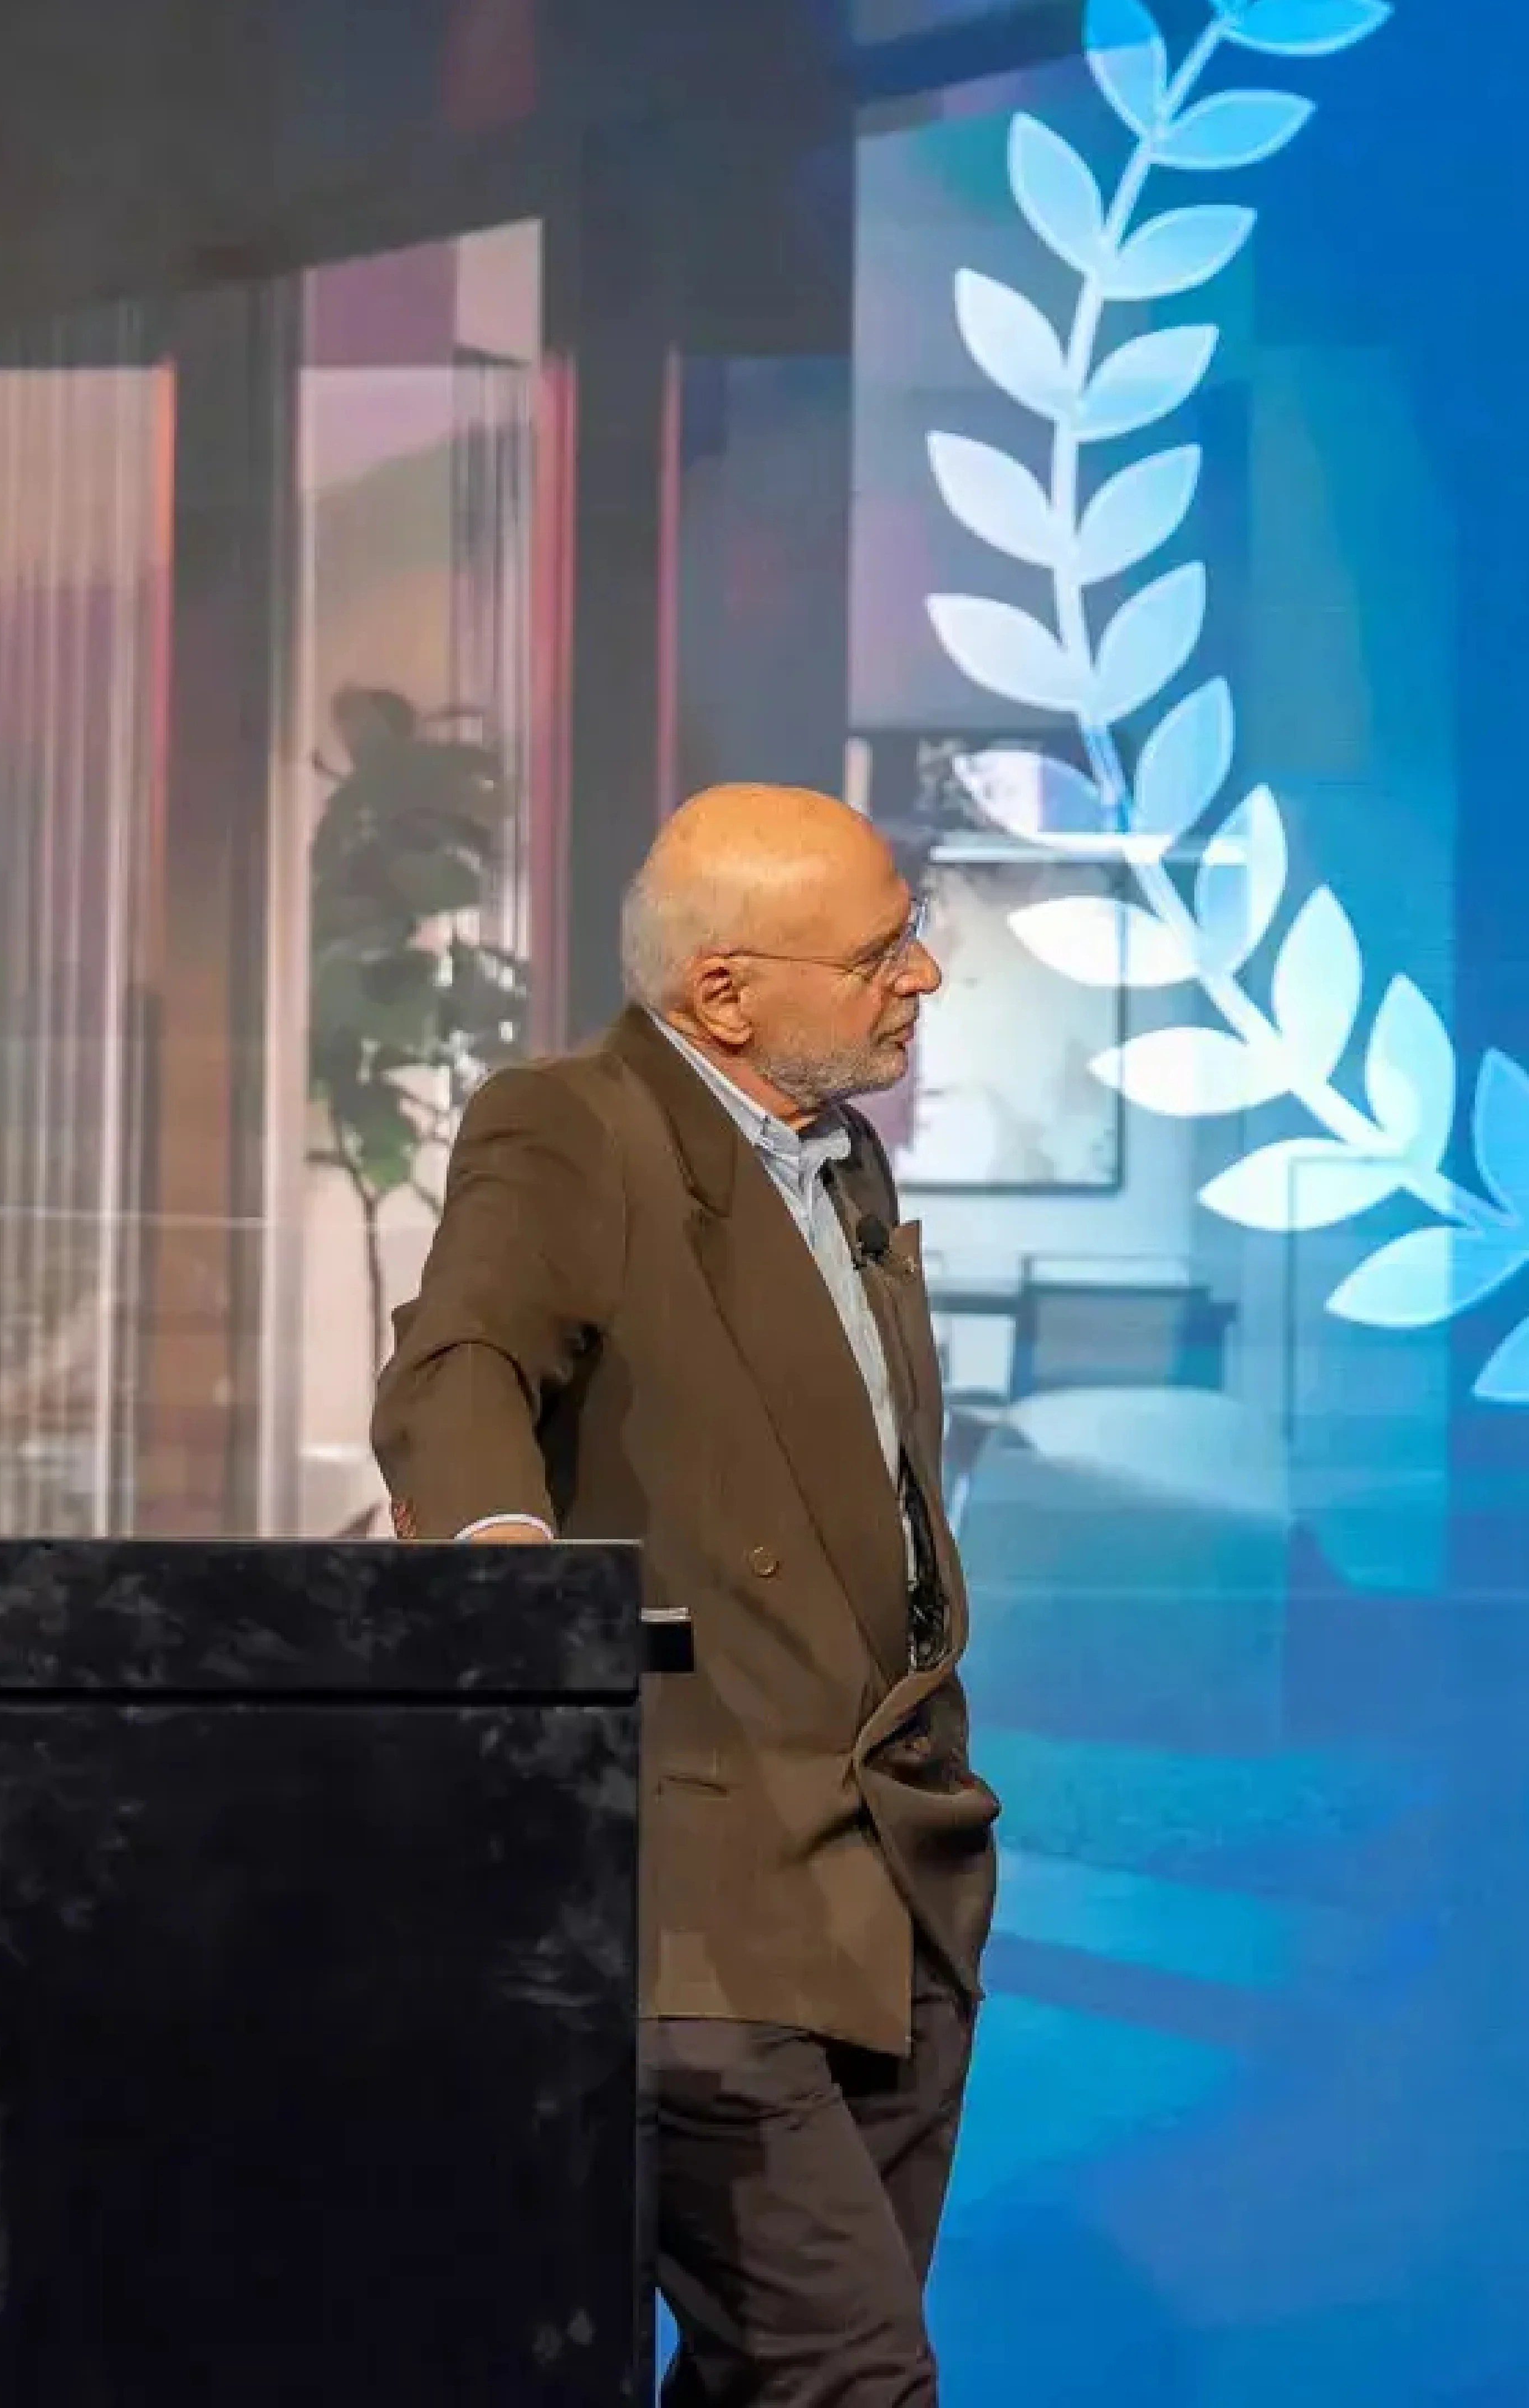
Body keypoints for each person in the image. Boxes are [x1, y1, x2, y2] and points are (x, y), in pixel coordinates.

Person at [374, 781, 994, 2406]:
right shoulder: (574, 1126)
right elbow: (461, 1360)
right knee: (849, 2380)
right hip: (699, 1904)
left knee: (762, 2384)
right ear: (724, 991)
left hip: (892, 1880)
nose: (921, 974)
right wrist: (502, 1568)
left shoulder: (838, 1159)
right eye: (879, 952)